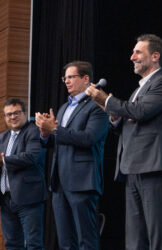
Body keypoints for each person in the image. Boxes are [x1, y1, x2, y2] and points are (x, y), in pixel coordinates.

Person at [85, 34, 162, 250]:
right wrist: (115, 118)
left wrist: (106, 100)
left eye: (138, 52)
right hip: (132, 167)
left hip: (155, 166)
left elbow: (141, 112)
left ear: (155, 56)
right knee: (134, 237)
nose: (132, 57)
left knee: (157, 235)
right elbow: (131, 120)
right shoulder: (138, 90)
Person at [35, 61, 109, 250]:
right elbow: (57, 141)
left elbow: (88, 138)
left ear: (85, 79)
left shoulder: (96, 107)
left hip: (82, 182)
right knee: (65, 241)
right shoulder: (63, 108)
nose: (66, 81)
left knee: (86, 240)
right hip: (59, 183)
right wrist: (45, 134)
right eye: (64, 78)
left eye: (71, 77)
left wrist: (56, 130)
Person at [0, 98, 47, 249]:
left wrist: (4, 161)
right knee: (12, 244)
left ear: (24, 113)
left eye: (16, 113)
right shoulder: (3, 137)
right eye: (8, 114)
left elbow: (31, 157)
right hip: (6, 199)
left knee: (33, 244)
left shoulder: (34, 132)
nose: (12, 117)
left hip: (28, 198)